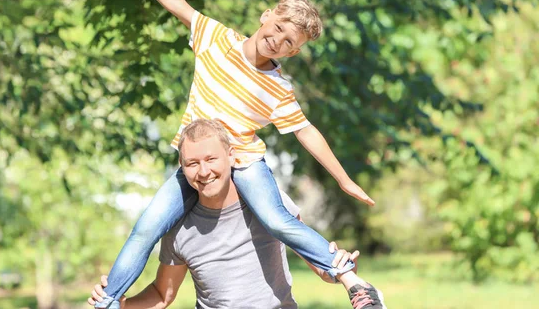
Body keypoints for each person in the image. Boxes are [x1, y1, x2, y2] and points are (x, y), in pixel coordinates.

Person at [90, 0, 377, 309]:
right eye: (278, 28)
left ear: (293, 52)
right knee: (146, 227)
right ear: (265, 15)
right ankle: (107, 302)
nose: (277, 40)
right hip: (196, 162)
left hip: (243, 161)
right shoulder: (215, 38)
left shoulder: (278, 88)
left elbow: (306, 132)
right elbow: (173, 0)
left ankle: (353, 281)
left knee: (276, 219)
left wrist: (343, 179)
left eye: (289, 42)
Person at [88, 119, 386, 309]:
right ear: (181, 167)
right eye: (192, 164)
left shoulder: (267, 205)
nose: (203, 172)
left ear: (231, 156)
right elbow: (163, 294)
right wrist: (123, 304)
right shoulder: (178, 228)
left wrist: (339, 267)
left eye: (211, 159)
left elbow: (318, 267)